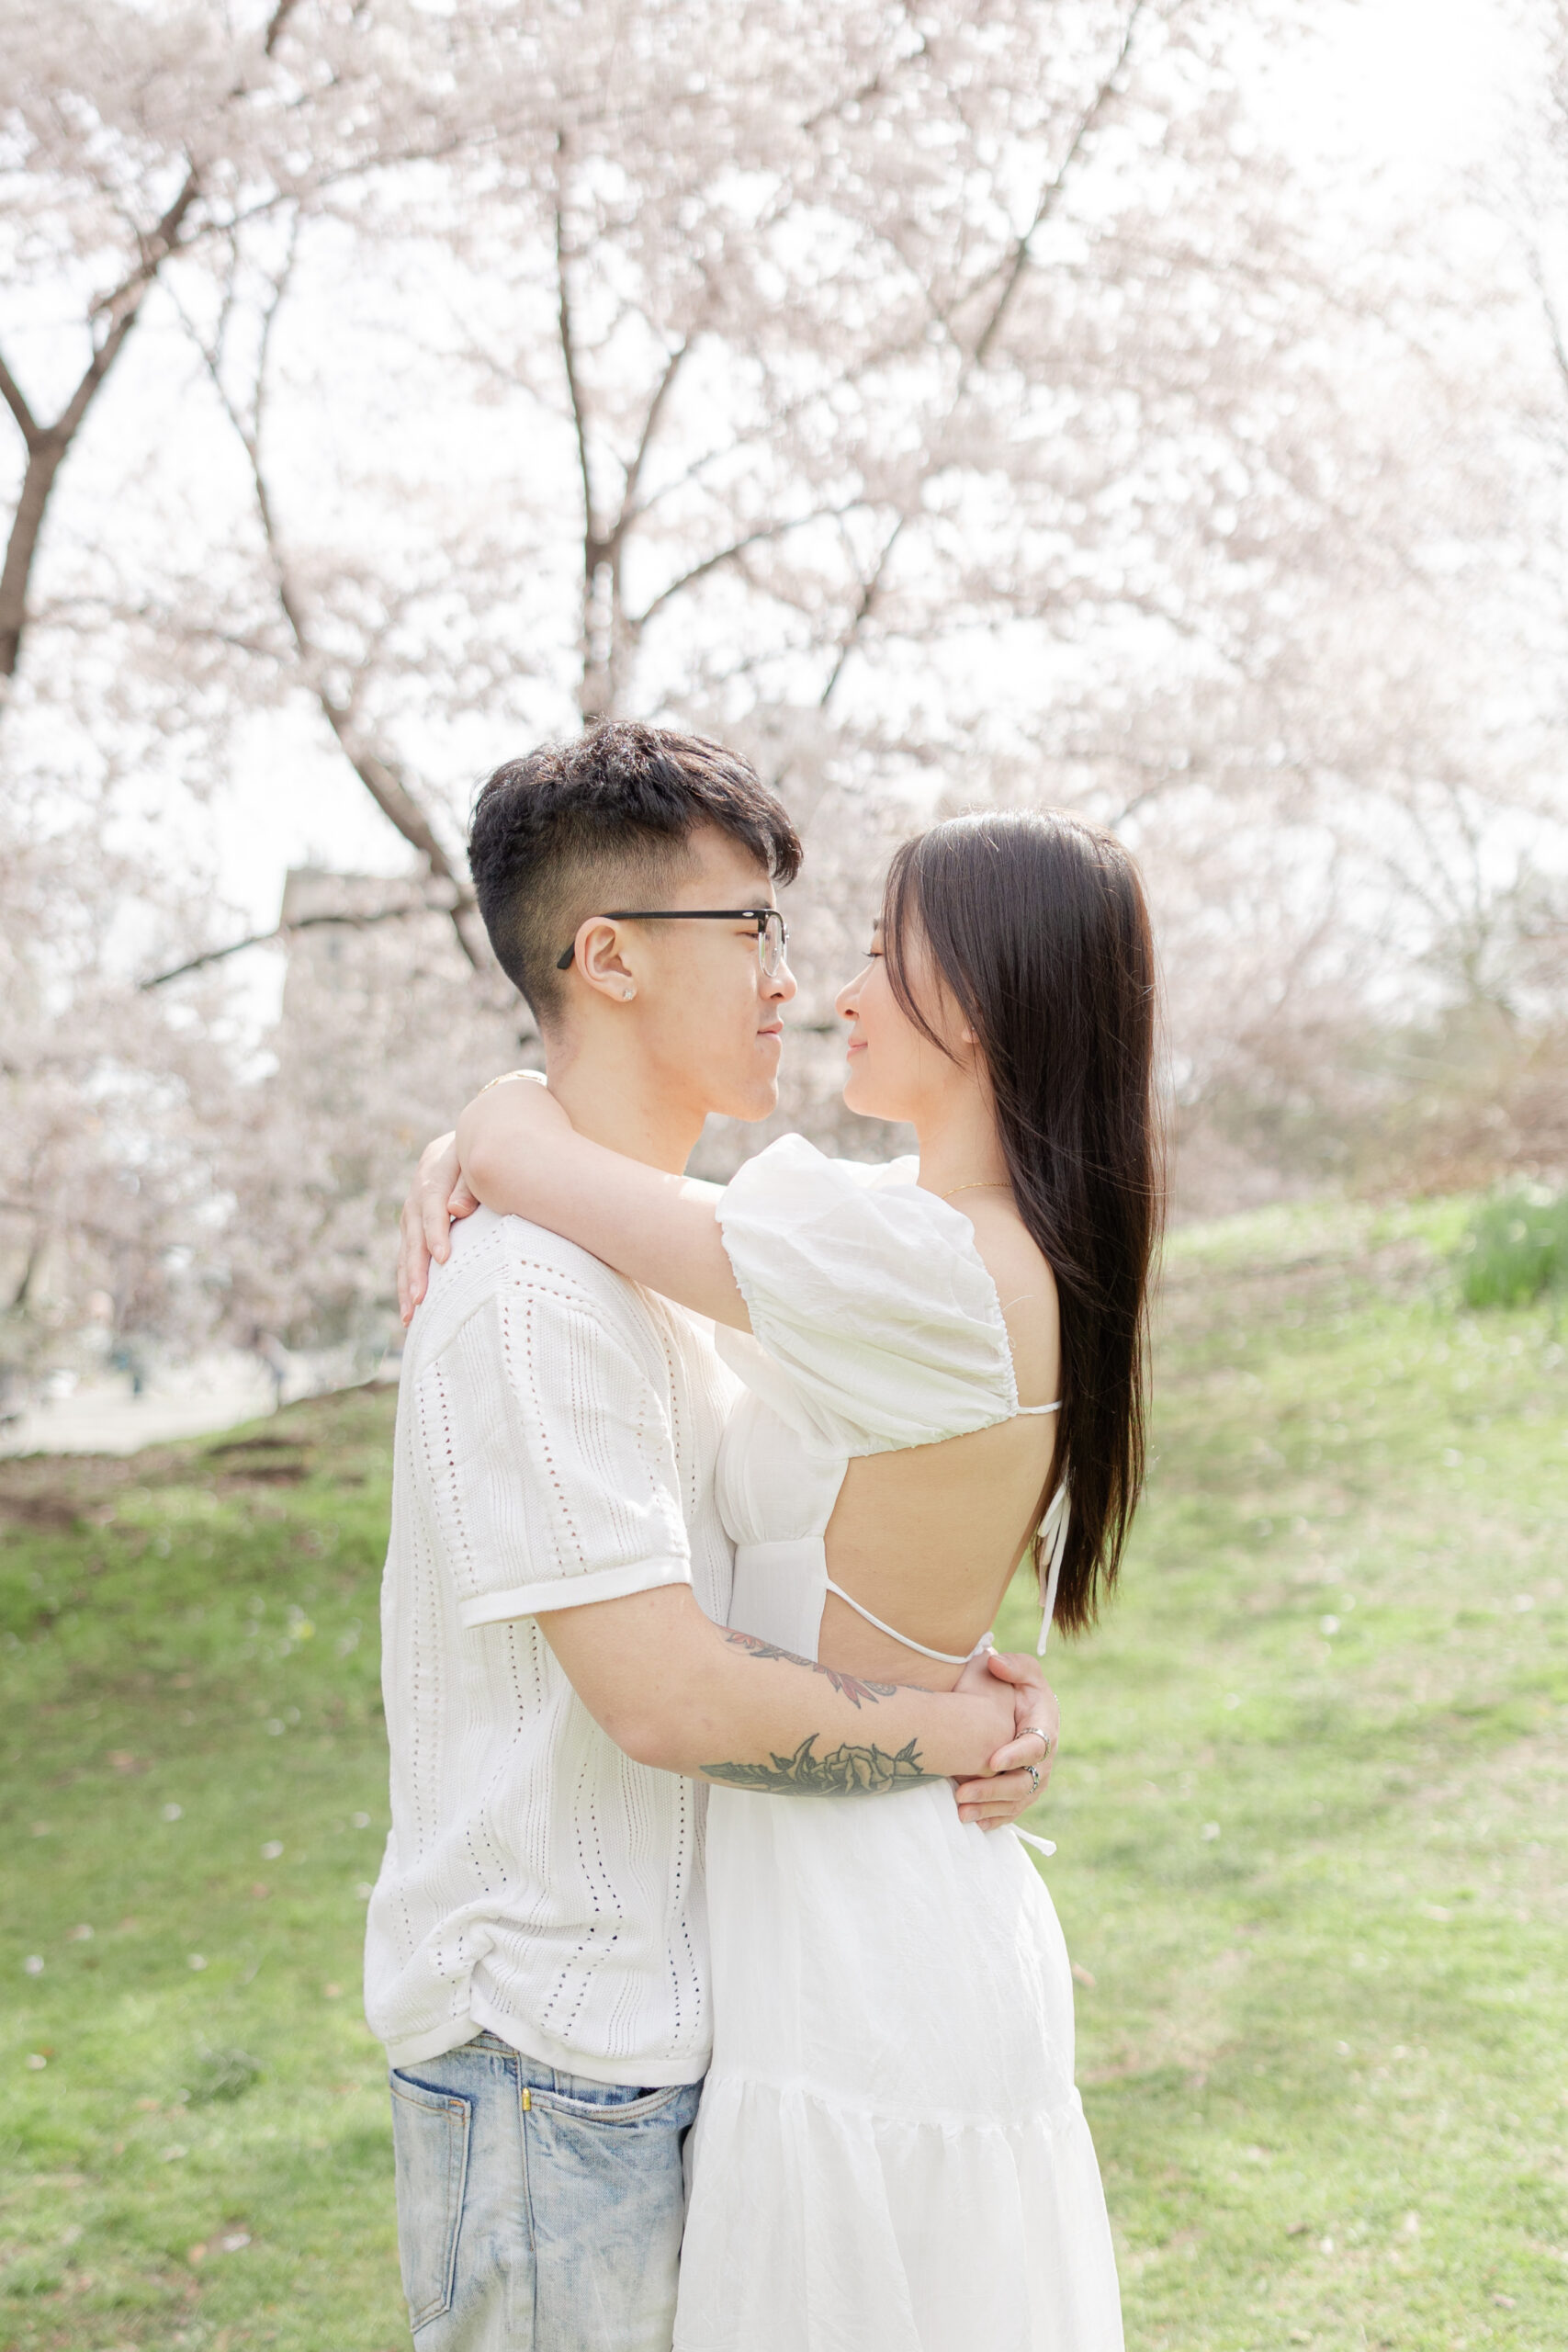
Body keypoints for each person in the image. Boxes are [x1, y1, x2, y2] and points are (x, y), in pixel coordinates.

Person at [404, 797, 1160, 2349]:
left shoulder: (925, 1270)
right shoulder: (922, 1241)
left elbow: (586, 1187)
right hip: (850, 1910)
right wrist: (496, 1118)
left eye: (885, 954)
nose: (831, 988)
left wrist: (492, 1125)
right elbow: (631, 1206)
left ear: (992, 993)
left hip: (852, 1938)